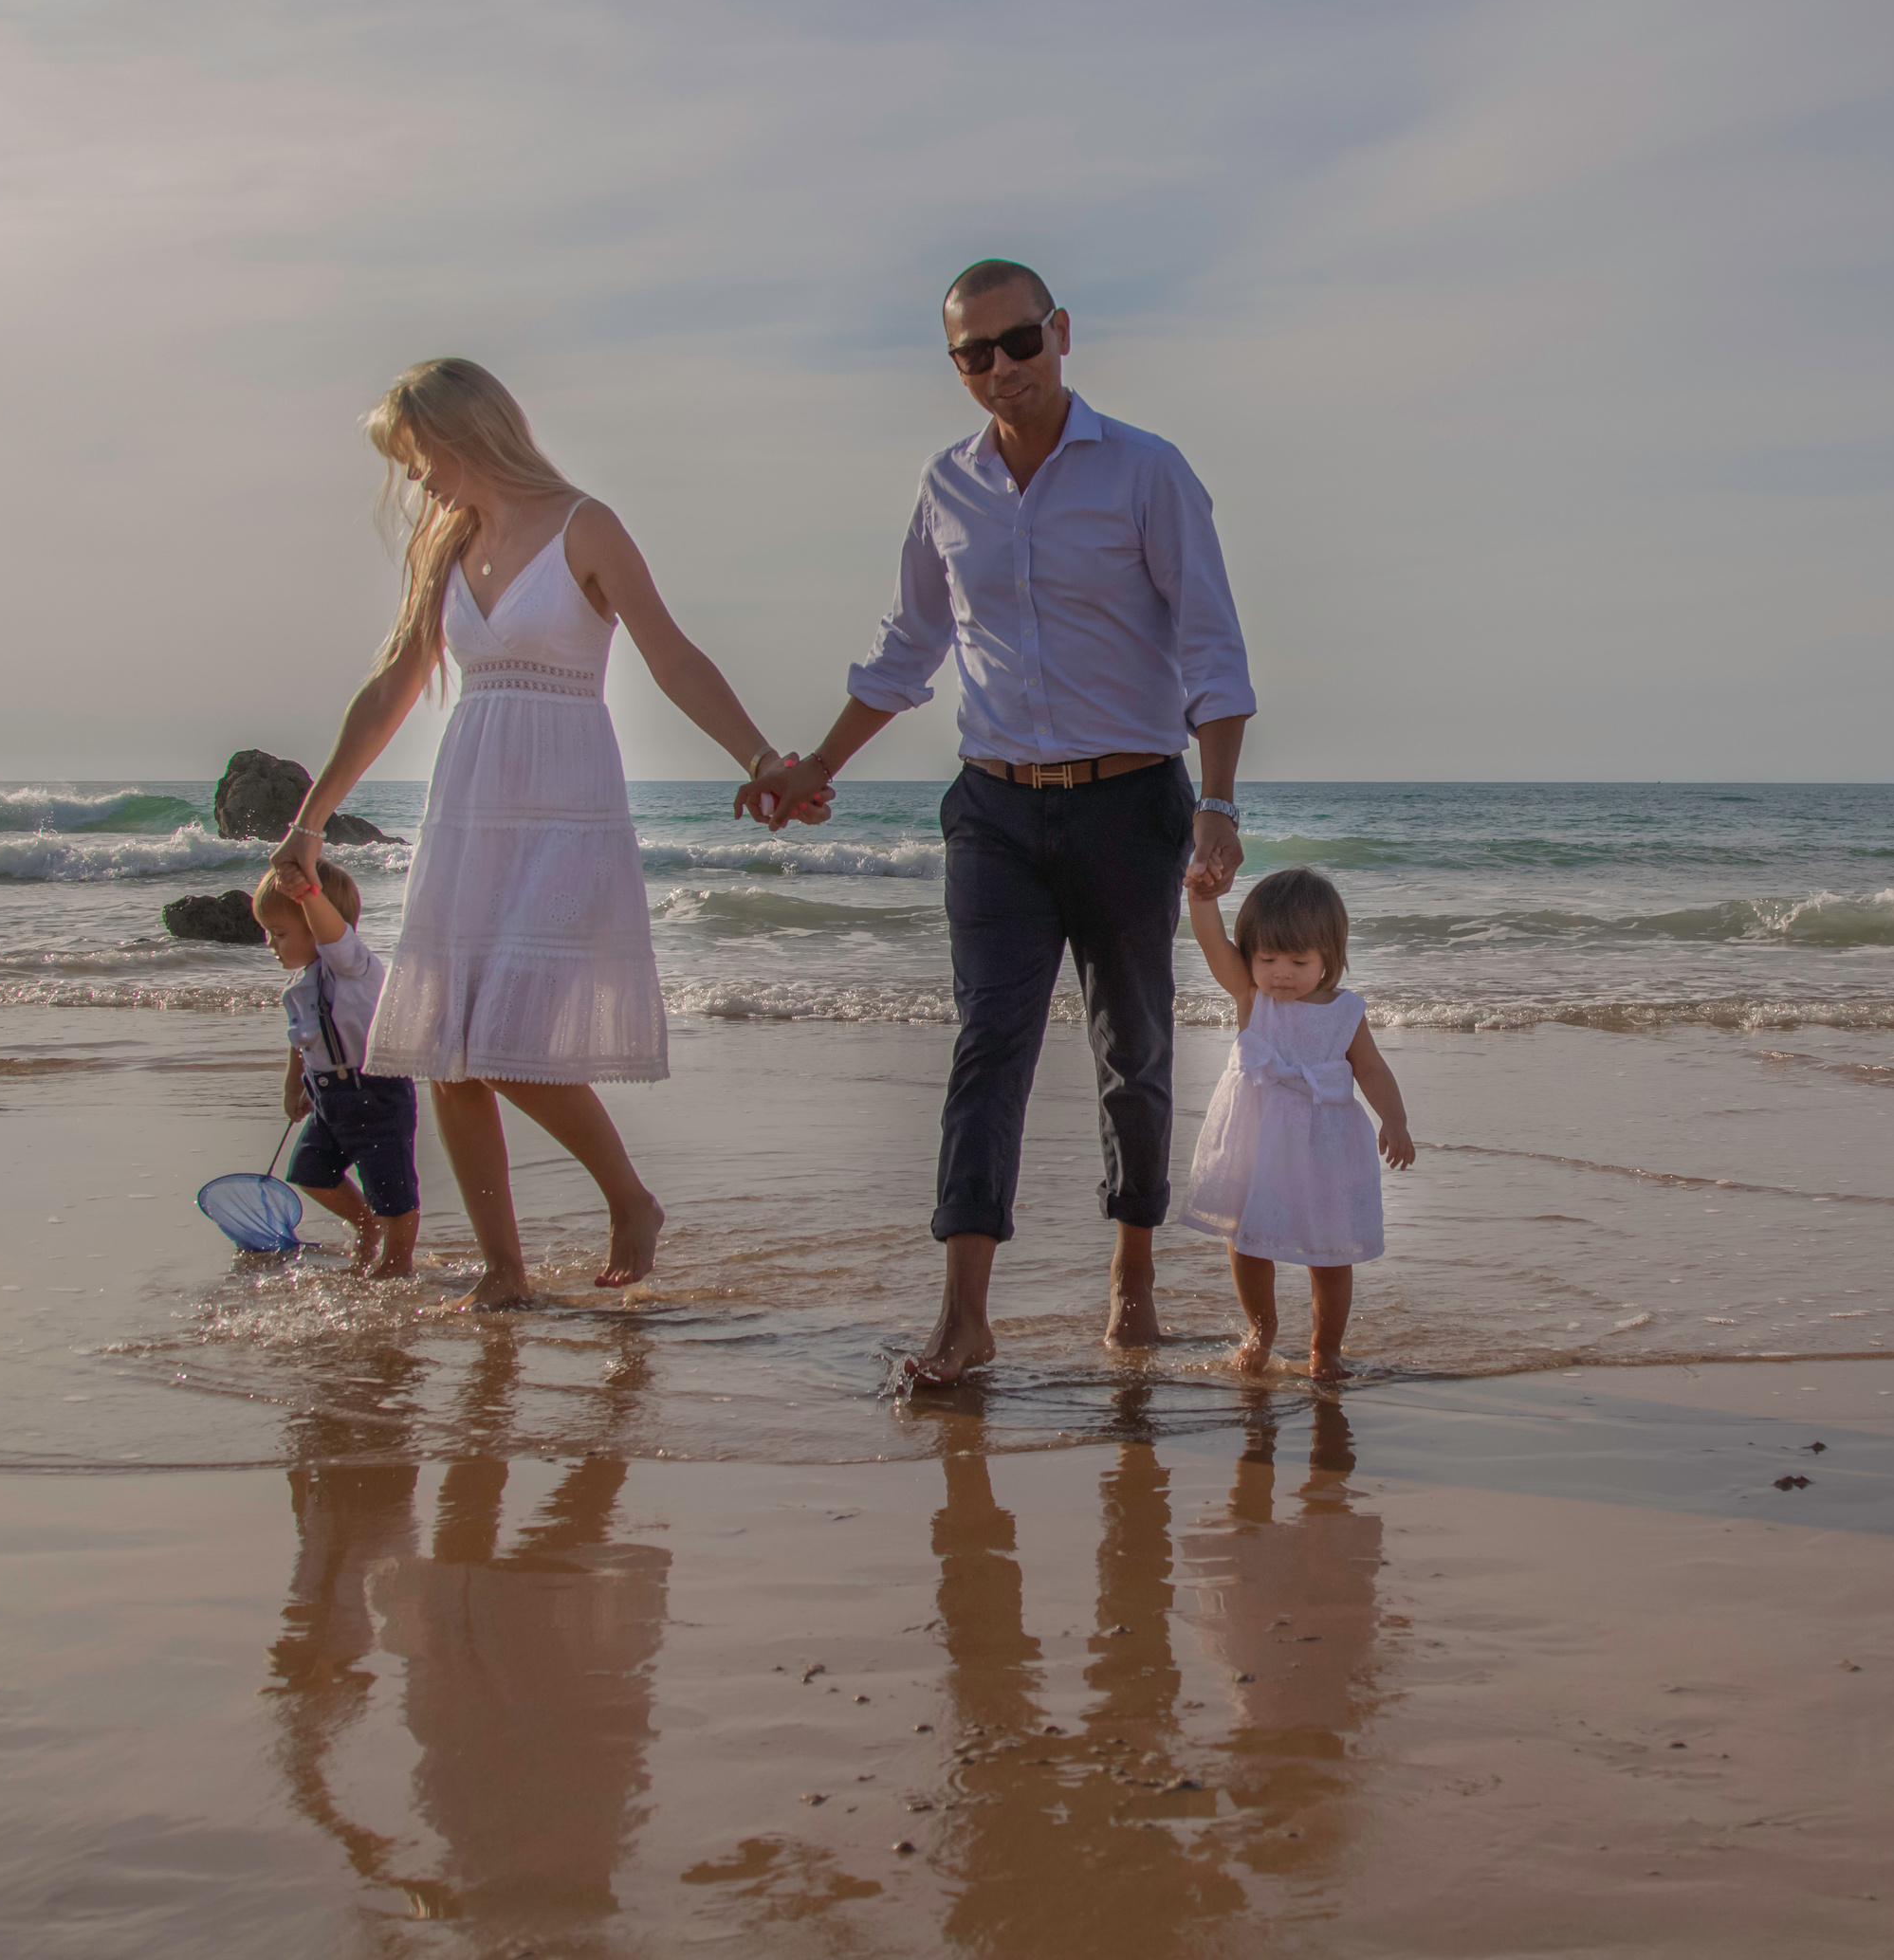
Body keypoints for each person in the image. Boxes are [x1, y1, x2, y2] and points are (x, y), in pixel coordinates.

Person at [740, 259, 1257, 1384]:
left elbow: (1213, 645)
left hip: (1130, 800)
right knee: (988, 1046)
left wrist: (1215, 799)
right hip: (992, 812)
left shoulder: (1147, 473)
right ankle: (964, 1316)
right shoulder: (947, 486)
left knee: (1134, 1046)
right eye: (972, 354)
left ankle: (1132, 1276)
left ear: (1061, 333)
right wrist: (813, 764)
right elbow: (905, 651)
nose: (998, 370)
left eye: (1016, 343)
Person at [269, 357, 800, 1309]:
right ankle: (503, 1270)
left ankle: (630, 1199)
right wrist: (309, 822)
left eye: (417, 454)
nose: (414, 478)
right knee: (446, 1050)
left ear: (465, 431)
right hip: (471, 810)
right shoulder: (446, 542)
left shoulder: (582, 525)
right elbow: (392, 685)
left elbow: (671, 655)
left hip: (562, 813)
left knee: (504, 1040)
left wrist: (759, 759)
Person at [1180, 867, 1415, 1380]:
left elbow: (1371, 1069)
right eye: (1266, 958)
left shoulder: (1346, 1011)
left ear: (1329, 957)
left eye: (1298, 960)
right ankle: (1261, 1330)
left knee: (1329, 1250)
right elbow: (1210, 940)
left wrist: (1394, 1120)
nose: (1280, 972)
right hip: (1257, 1136)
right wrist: (1200, 898)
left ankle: (1325, 1347)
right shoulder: (1251, 996)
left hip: (1324, 1144)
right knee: (1245, 1236)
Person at [252, 859, 419, 1278]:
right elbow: (302, 1043)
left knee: (392, 1190)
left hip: (374, 1094)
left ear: (318, 927)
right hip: (329, 1097)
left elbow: (333, 935)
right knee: (310, 1172)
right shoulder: (299, 986)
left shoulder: (351, 966)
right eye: (269, 933)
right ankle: (366, 1226)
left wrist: (307, 893)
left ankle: (397, 1264)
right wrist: (295, 1087)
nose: (271, 944)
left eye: (280, 934)